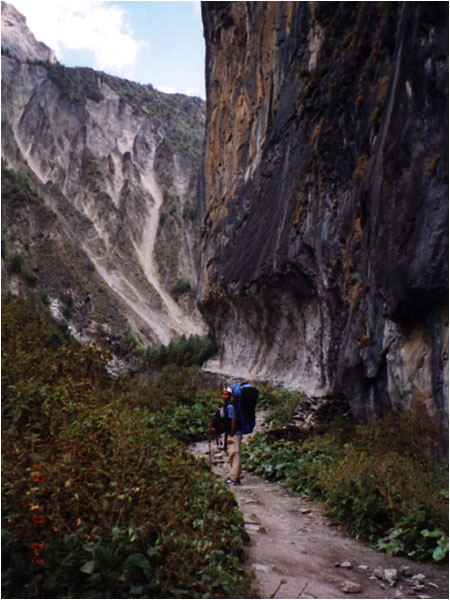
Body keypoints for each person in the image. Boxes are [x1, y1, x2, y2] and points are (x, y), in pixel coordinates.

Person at [223, 386, 242, 486]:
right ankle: (235, 475)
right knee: (233, 454)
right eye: (223, 394)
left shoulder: (230, 406)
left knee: (235, 454)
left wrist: (231, 431)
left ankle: (235, 477)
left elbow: (233, 419)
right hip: (234, 432)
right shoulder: (230, 405)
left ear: (230, 396)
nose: (223, 396)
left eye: (226, 394)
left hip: (235, 433)